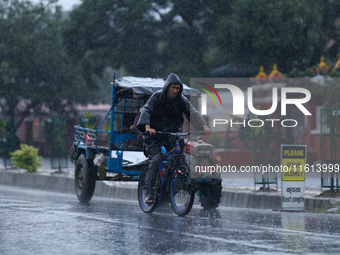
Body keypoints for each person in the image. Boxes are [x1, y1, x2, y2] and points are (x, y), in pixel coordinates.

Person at [137, 73, 211, 205]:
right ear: (167, 87)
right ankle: (150, 191)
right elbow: (147, 110)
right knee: (156, 159)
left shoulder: (181, 100)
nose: (175, 91)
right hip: (154, 135)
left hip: (172, 133)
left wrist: (204, 126)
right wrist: (147, 127)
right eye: (173, 88)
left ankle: (178, 176)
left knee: (180, 153)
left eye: (178, 88)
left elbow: (192, 112)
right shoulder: (157, 97)